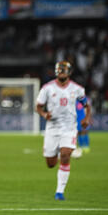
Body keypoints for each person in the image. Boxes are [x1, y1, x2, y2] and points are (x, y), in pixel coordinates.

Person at [36, 61, 91, 201]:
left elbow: (86, 105)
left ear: (69, 72)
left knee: (66, 155)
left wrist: (86, 118)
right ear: (56, 72)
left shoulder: (77, 89)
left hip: (69, 128)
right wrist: (44, 115)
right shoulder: (47, 88)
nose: (62, 72)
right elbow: (38, 106)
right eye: (59, 70)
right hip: (52, 129)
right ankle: (60, 154)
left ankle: (59, 192)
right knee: (50, 164)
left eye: (64, 70)